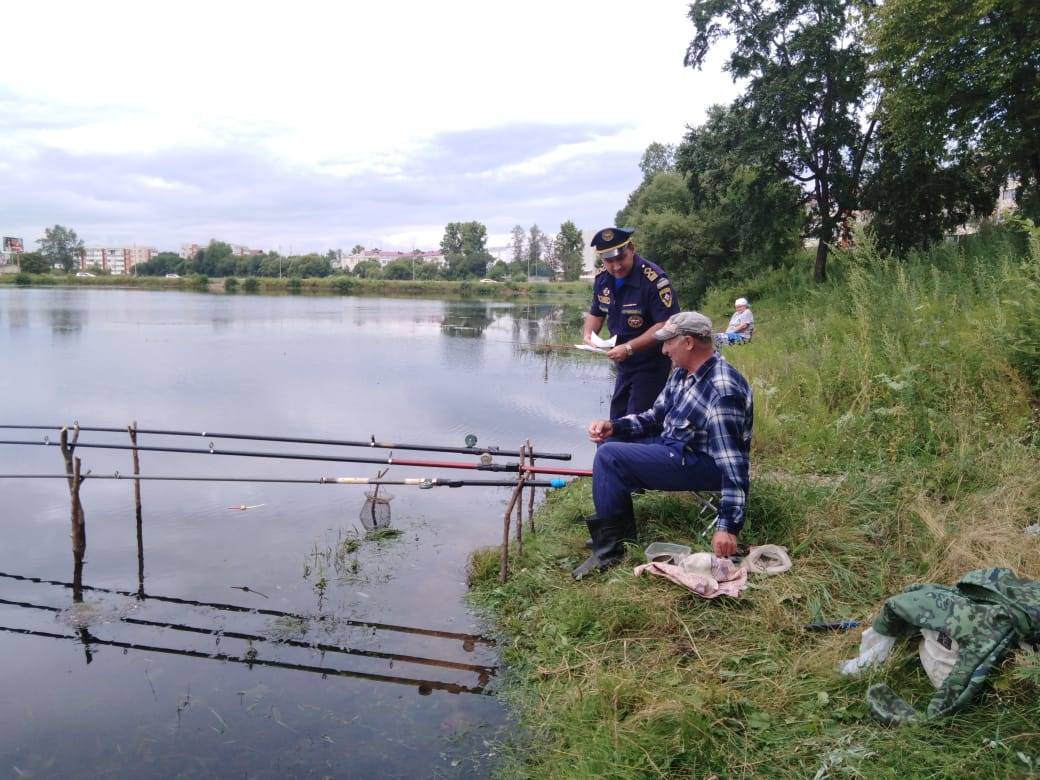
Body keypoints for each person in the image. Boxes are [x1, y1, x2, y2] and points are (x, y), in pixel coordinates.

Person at [573, 311, 753, 579]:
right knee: (609, 441)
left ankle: (609, 551)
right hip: (676, 445)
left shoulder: (722, 391)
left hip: (703, 464)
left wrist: (727, 527)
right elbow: (655, 416)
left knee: (610, 457)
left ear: (689, 342)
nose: (664, 349)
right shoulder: (683, 373)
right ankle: (617, 535)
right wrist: (615, 426)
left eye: (669, 342)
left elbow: (734, 466)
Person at [583, 227, 679, 418]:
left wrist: (629, 348)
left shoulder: (654, 280)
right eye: (609, 261)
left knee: (637, 423)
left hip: (651, 364)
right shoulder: (602, 279)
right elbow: (596, 313)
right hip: (623, 366)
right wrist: (588, 335)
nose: (616, 266)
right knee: (616, 420)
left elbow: (666, 324)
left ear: (632, 249)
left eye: (621, 258)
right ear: (602, 259)